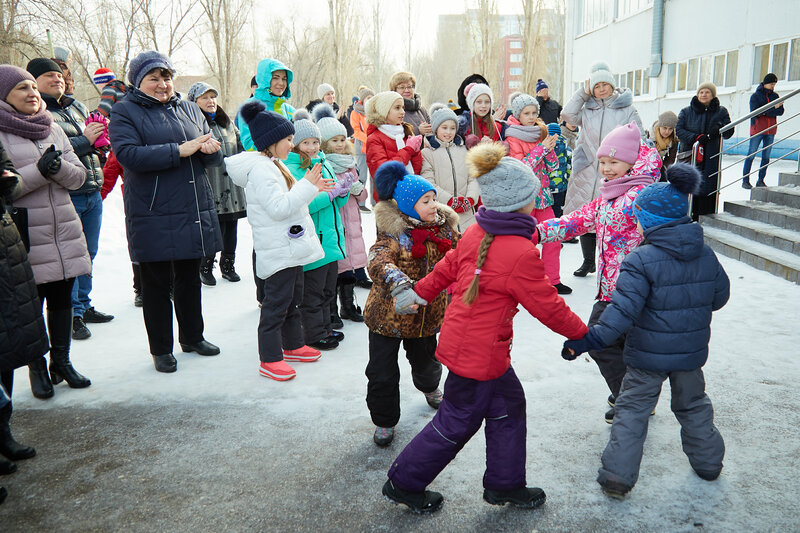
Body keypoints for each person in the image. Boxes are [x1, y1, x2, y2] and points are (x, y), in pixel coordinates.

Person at [381, 143, 588, 514]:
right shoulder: (519, 252)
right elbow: (548, 305)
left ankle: (504, 484)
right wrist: (582, 334)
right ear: (521, 204)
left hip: (474, 348)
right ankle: (405, 481)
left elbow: (446, 266)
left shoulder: (478, 231)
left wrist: (420, 293)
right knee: (456, 422)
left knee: (508, 406)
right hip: (480, 356)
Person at [563, 163, 729, 499]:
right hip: (690, 355)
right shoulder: (705, 253)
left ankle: (617, 478)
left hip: (645, 359)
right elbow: (719, 297)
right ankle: (709, 464)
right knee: (694, 405)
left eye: (639, 216)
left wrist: (584, 342)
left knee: (632, 411)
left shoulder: (641, 260)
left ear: (651, 220)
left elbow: (619, 316)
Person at [109, 50, 224, 373]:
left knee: (189, 277)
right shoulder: (124, 111)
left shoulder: (189, 108)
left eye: (167, 77)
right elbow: (129, 155)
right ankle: (161, 348)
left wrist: (211, 151)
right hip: (152, 208)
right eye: (154, 78)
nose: (162, 84)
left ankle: (193, 336)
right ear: (138, 82)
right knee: (156, 282)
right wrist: (179, 150)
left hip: (191, 204)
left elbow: (209, 155)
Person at [538, 122, 661, 422]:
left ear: (633, 162)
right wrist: (536, 232)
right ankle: (635, 392)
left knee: (600, 340)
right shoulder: (611, 195)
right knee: (622, 346)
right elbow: (577, 220)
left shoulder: (644, 196)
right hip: (610, 289)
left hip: (635, 290)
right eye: (603, 162)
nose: (606, 169)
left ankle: (629, 397)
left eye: (613, 162)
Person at [225, 100, 335, 381]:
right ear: (271, 142)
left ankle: (293, 344)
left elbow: (289, 199)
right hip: (279, 249)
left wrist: (311, 188)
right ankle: (270, 358)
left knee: (292, 299)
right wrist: (308, 186)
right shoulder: (262, 170)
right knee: (276, 304)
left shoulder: (274, 164)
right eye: (288, 140)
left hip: (289, 247)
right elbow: (278, 208)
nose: (292, 144)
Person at [0, 64, 92, 398]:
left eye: (33, 88)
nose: (32, 94)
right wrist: (40, 172)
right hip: (25, 232)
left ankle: (62, 362)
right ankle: (36, 367)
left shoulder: (51, 127)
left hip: (62, 227)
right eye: (22, 89)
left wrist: (58, 167)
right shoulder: (1, 132)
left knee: (62, 297)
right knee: (30, 305)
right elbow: (6, 187)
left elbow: (80, 177)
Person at [364, 161, 459, 448]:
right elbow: (377, 260)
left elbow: (463, 257)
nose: (433, 205)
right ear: (407, 206)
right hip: (387, 317)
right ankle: (384, 418)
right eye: (425, 201)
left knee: (427, 363)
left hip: (425, 318)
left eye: (434, 199)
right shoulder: (393, 233)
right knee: (382, 373)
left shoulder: (445, 230)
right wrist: (399, 284)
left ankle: (430, 388)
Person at [27, 58, 114, 341]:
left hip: (92, 188)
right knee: (71, 255)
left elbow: (89, 141)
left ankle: (85, 305)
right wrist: (88, 141)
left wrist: (100, 145)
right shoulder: (38, 113)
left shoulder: (76, 106)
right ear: (34, 81)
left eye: (60, 75)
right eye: (50, 76)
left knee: (89, 252)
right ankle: (74, 313)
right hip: (66, 195)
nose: (58, 79)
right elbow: (51, 152)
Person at [561, 61, 643, 278]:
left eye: (605, 84)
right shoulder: (587, 108)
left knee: (610, 217)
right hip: (587, 166)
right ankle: (588, 261)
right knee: (587, 215)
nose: (602, 89)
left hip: (613, 169)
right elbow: (567, 115)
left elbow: (639, 136)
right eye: (597, 86)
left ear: (612, 85)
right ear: (592, 88)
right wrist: (582, 93)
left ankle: (611, 262)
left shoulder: (626, 108)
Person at [284, 113, 351, 350]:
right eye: (306, 143)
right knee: (312, 293)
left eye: (314, 142)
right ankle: (313, 334)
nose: (311, 148)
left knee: (326, 289)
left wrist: (342, 193)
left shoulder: (325, 163)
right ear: (295, 144)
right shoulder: (293, 167)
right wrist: (328, 195)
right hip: (315, 239)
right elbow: (304, 205)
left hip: (331, 237)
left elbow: (335, 204)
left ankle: (324, 327)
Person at [0, 140, 46, 482]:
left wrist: (7, 180)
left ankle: (3, 432)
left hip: (4, 241)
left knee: (6, 343)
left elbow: (10, 175)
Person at [505, 92, 570, 294]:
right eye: (527, 113)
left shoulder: (539, 133)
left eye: (534, 112)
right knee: (525, 242)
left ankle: (553, 279)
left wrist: (552, 149)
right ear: (518, 115)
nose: (532, 117)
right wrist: (542, 148)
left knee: (553, 237)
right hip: (525, 200)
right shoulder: (512, 137)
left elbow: (551, 167)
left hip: (544, 198)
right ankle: (524, 281)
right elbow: (522, 166)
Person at [314, 103, 369, 323]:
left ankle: (348, 304)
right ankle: (331, 311)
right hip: (334, 223)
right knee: (335, 270)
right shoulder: (323, 165)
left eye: (341, 140)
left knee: (349, 269)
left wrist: (359, 190)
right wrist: (340, 190)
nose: (339, 144)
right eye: (333, 141)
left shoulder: (350, 164)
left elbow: (363, 196)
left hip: (352, 223)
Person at [187, 81, 247, 286]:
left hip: (232, 184)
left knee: (231, 226)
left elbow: (240, 144)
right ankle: (206, 266)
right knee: (212, 228)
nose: (210, 101)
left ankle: (228, 265)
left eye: (212, 96)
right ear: (195, 101)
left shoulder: (226, 122)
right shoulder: (192, 122)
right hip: (210, 184)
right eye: (205, 97)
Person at [675, 82, 732, 220]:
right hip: (691, 155)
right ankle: (687, 216)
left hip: (711, 156)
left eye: (707, 92)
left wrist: (720, 127)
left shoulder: (721, 112)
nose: (703, 95)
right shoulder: (686, 111)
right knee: (689, 184)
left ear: (712, 95)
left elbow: (729, 132)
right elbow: (679, 131)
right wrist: (696, 137)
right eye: (701, 92)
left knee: (708, 185)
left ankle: (707, 216)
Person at [420, 103, 478, 230]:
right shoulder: (427, 153)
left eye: (452, 128)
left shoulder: (464, 150)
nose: (448, 132)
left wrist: (471, 198)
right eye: (444, 127)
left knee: (469, 246)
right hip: (442, 212)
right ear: (436, 129)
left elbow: (473, 176)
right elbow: (429, 183)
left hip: (467, 214)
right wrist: (449, 200)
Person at [365, 91, 423, 205]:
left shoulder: (404, 131)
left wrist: (416, 152)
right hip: (389, 200)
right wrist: (409, 150)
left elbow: (416, 170)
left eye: (403, 107)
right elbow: (384, 173)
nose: (402, 112)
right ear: (384, 111)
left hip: (411, 195)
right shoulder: (374, 139)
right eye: (397, 108)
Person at [239, 58, 296, 151]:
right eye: (275, 78)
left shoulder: (290, 110)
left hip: (290, 162)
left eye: (284, 79)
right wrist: (276, 151)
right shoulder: (250, 108)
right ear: (264, 79)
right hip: (262, 162)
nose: (281, 83)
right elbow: (248, 144)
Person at [742, 73, 784, 189]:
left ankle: (761, 180)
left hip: (771, 130)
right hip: (757, 129)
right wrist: (773, 108)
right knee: (751, 154)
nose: (773, 86)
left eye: (774, 84)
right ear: (765, 83)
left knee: (766, 157)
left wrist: (769, 110)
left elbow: (780, 111)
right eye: (771, 84)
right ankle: (745, 180)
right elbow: (756, 112)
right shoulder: (755, 96)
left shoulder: (775, 96)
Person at [457, 83, 508, 148]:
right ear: (472, 104)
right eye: (479, 102)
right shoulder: (463, 125)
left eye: (487, 102)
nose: (483, 106)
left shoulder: (498, 127)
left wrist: (493, 144)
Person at [350, 86, 374, 211]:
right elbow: (356, 131)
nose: (370, 100)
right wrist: (369, 139)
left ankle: (375, 203)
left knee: (374, 176)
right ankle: (360, 203)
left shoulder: (375, 112)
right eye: (368, 98)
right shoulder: (356, 112)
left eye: (372, 98)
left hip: (374, 148)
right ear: (363, 100)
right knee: (362, 176)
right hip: (361, 148)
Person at [388, 72, 431, 136]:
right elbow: (393, 134)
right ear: (394, 90)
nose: (407, 90)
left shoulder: (422, 110)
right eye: (402, 87)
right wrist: (418, 131)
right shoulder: (391, 111)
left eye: (409, 87)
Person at [549, 121, 573, 219]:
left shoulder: (545, 147)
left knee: (546, 209)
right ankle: (555, 228)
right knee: (557, 209)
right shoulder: (567, 148)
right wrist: (566, 182)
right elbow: (569, 168)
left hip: (545, 187)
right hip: (560, 188)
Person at [649, 111, 679, 180]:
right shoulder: (649, 136)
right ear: (659, 126)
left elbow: (671, 158)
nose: (667, 132)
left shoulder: (673, 140)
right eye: (664, 128)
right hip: (646, 166)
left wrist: (663, 167)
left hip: (660, 166)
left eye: (670, 129)